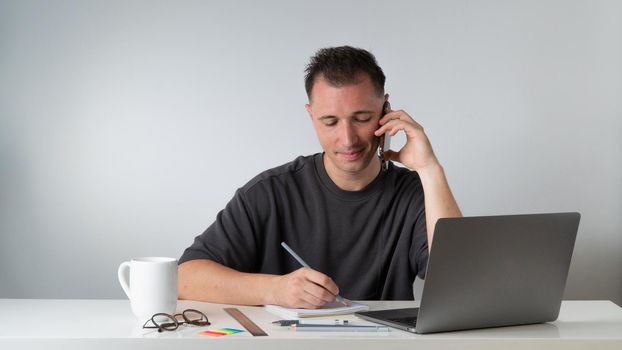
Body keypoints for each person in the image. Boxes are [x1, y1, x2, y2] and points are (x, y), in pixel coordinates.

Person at [178, 46, 462, 309]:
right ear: (311, 115)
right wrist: (274, 290)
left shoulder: (416, 193)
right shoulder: (270, 192)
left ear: (385, 112)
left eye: (362, 118)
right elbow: (184, 278)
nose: (347, 139)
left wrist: (429, 168)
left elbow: (458, 283)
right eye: (330, 122)